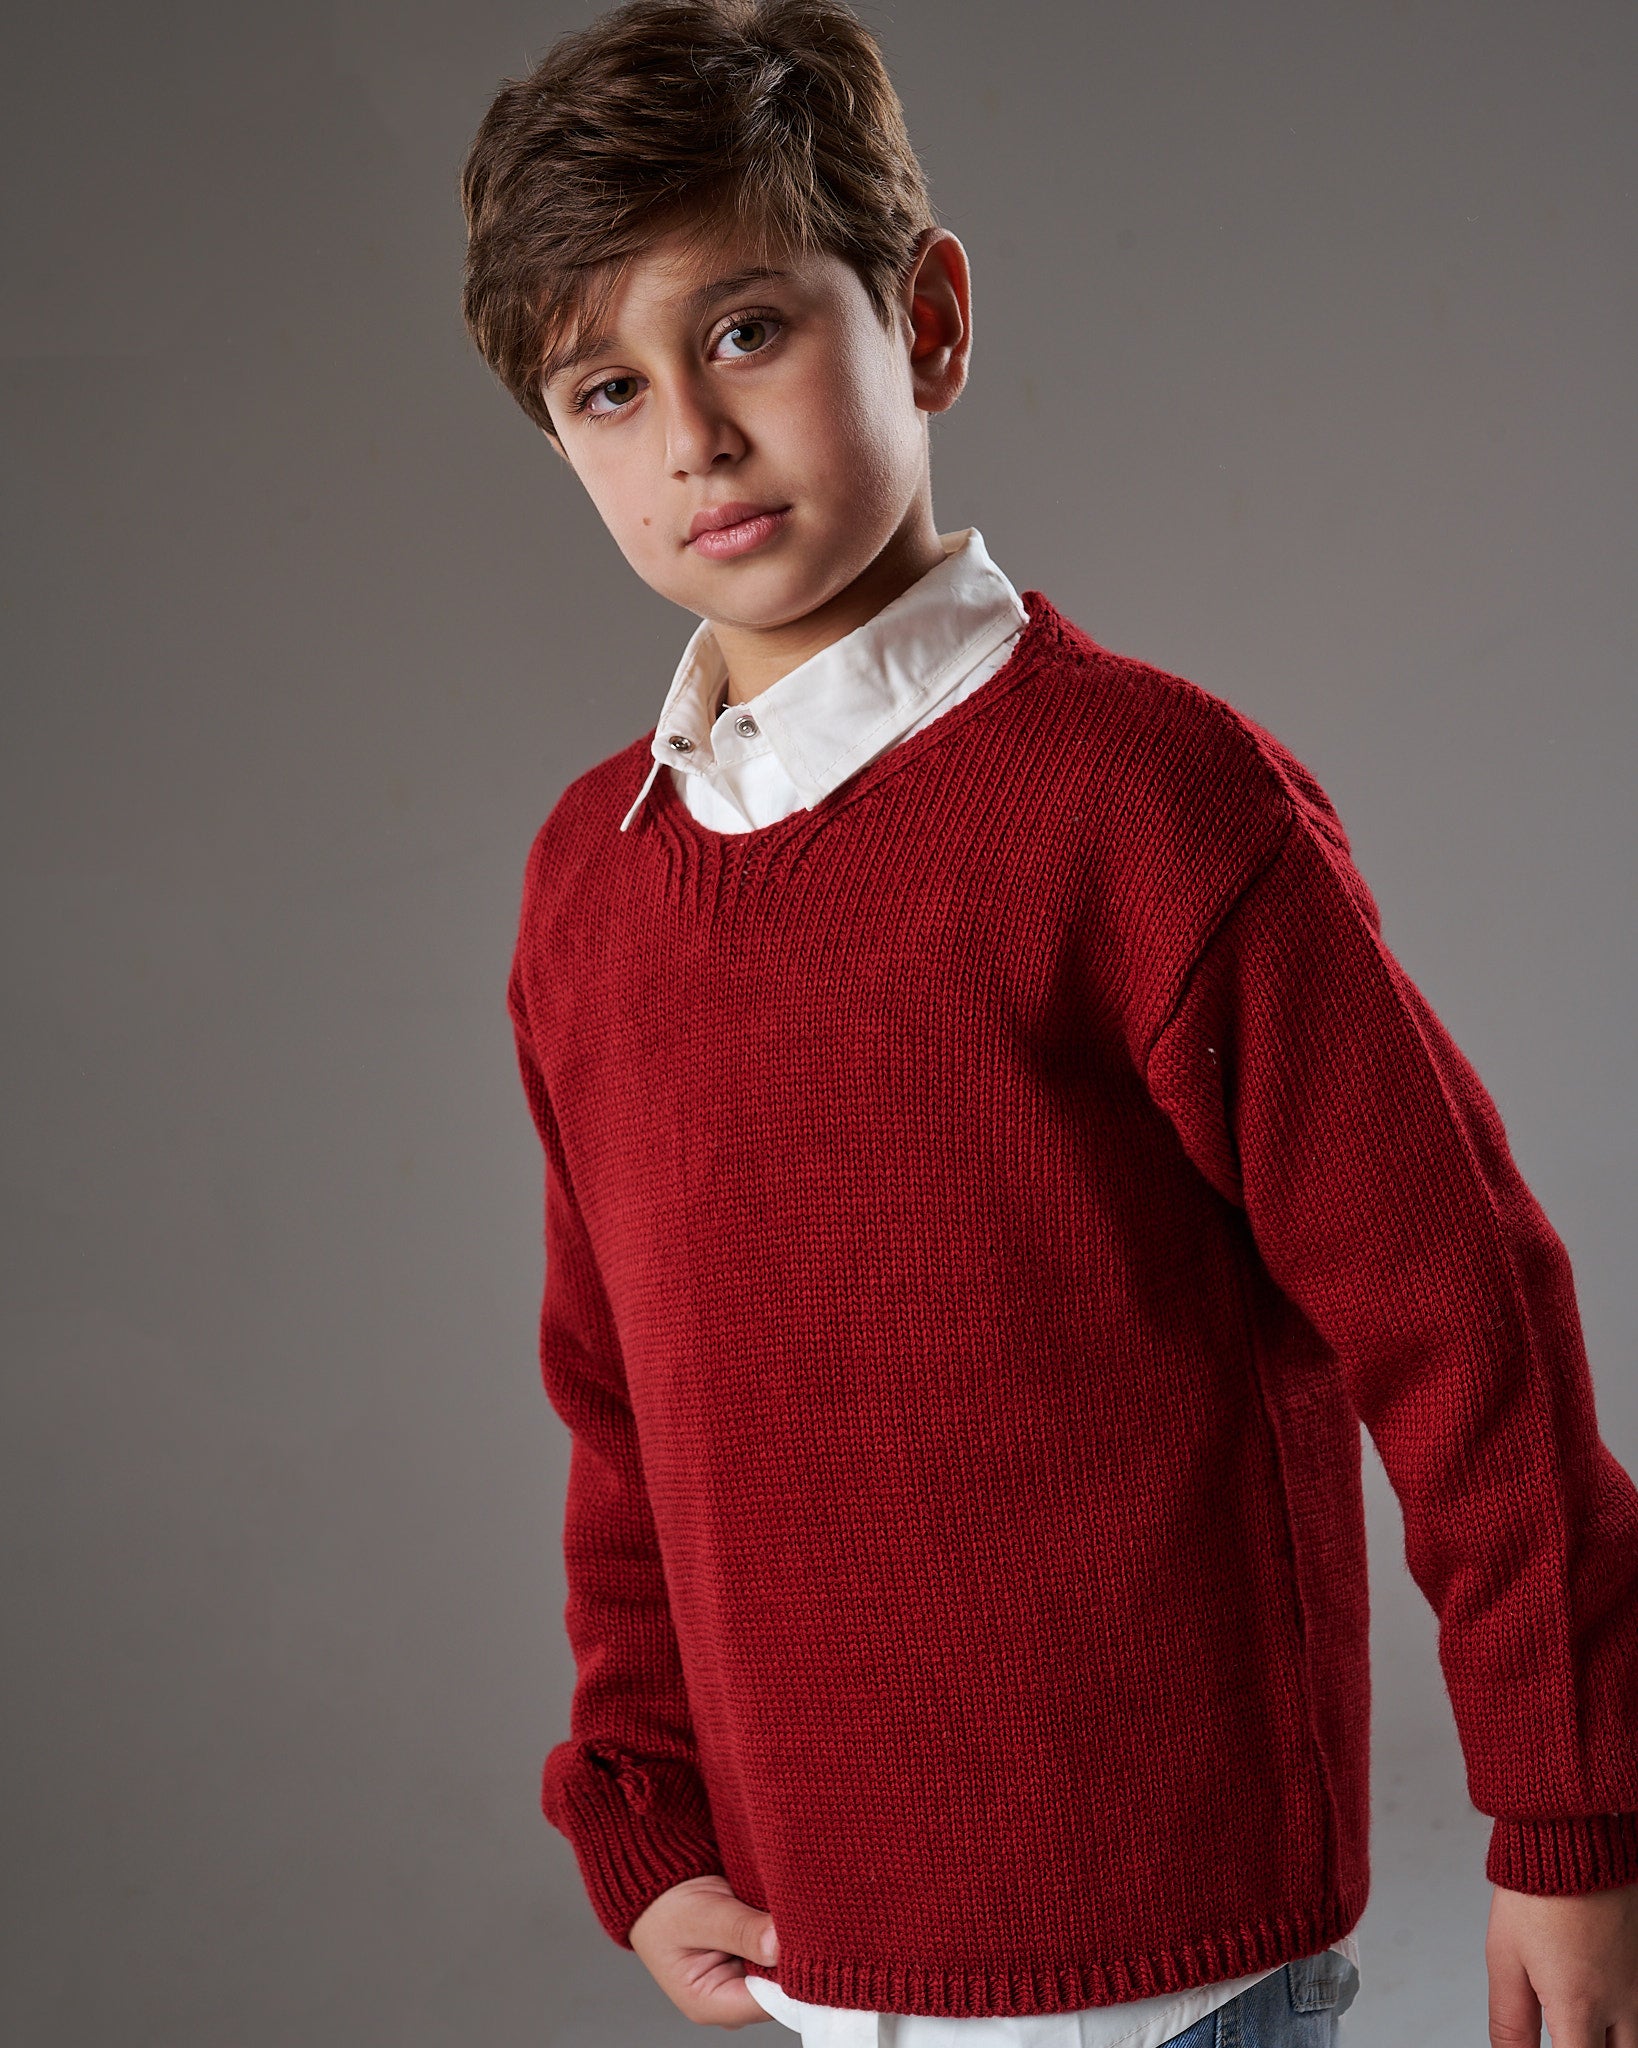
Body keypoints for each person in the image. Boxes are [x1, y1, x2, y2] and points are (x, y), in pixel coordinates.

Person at [458, 3, 1638, 2042]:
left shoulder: (1148, 805)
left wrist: (1573, 1816)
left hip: (1172, 1973)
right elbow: (617, 1408)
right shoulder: (591, 881)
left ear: (924, 321)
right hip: (813, 1962)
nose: (692, 437)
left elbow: (1469, 1327)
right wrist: (638, 1812)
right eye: (608, 388)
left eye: (747, 330)